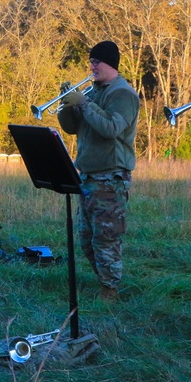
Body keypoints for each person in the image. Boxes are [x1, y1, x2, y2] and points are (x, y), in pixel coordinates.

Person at [56, 40, 140, 300]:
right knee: (86, 239)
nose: (92, 66)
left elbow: (111, 128)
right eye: (91, 61)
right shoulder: (92, 93)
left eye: (97, 62)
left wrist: (83, 103)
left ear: (110, 64)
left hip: (110, 176)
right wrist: (66, 104)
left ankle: (110, 289)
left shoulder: (123, 94)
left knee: (106, 237)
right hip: (88, 176)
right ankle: (104, 281)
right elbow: (72, 128)